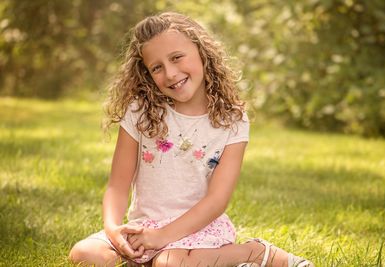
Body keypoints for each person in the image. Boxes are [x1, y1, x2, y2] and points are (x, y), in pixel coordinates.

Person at [68, 12, 314, 267]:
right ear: (146, 73)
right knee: (85, 254)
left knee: (169, 263)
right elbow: (117, 186)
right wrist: (113, 230)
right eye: (157, 67)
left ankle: (252, 253)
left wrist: (162, 237)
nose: (171, 73)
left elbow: (217, 200)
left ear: (201, 52)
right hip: (145, 227)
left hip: (198, 229)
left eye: (176, 58)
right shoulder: (139, 111)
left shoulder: (232, 120)